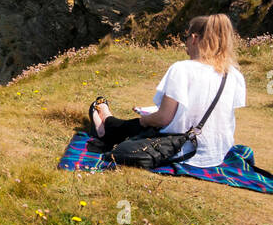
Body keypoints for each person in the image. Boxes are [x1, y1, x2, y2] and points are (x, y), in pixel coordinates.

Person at [89, 14, 247, 167]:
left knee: (141, 127)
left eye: (185, 38)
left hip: (184, 150)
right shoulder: (233, 74)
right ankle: (107, 122)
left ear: (194, 38)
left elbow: (163, 118)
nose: (185, 44)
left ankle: (105, 124)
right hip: (217, 152)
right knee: (142, 124)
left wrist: (144, 120)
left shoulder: (182, 69)